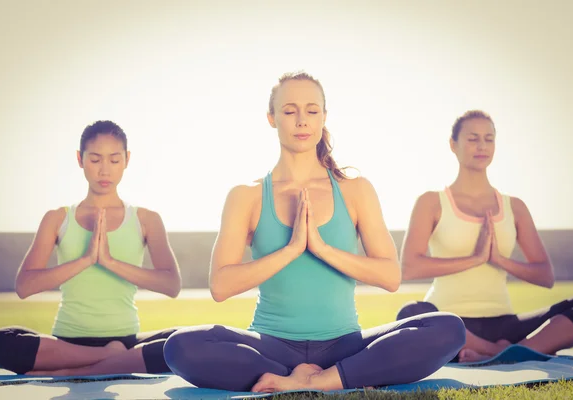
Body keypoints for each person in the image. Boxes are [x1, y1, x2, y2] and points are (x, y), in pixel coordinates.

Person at [162, 72, 465, 392]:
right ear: (272, 118)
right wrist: (291, 249)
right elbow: (221, 286)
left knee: (447, 328)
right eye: (290, 111)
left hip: (344, 346)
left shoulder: (355, 190)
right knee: (180, 346)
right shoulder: (246, 196)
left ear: (324, 117)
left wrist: (321, 248)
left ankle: (321, 379)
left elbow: (390, 277)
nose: (302, 121)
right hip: (271, 346)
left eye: (312, 111)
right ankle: (326, 376)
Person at [0, 120, 182, 375]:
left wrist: (110, 262)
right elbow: (25, 286)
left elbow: (171, 285)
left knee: (182, 342)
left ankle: (71, 372)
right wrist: (87, 259)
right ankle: (108, 360)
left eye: (114, 160)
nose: (104, 170)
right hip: (67, 344)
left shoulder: (146, 219)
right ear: (80, 159)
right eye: (95, 159)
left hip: (126, 341)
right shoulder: (57, 218)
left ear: (127, 160)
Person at [396, 110, 573, 362]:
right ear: (453, 145)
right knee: (411, 313)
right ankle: (509, 352)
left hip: (506, 324)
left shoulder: (514, 206)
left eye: (489, 138)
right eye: (473, 138)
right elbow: (409, 267)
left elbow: (545, 276)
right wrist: (475, 259)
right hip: (451, 322)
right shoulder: (431, 202)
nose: (482, 146)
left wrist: (499, 259)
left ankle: (492, 353)